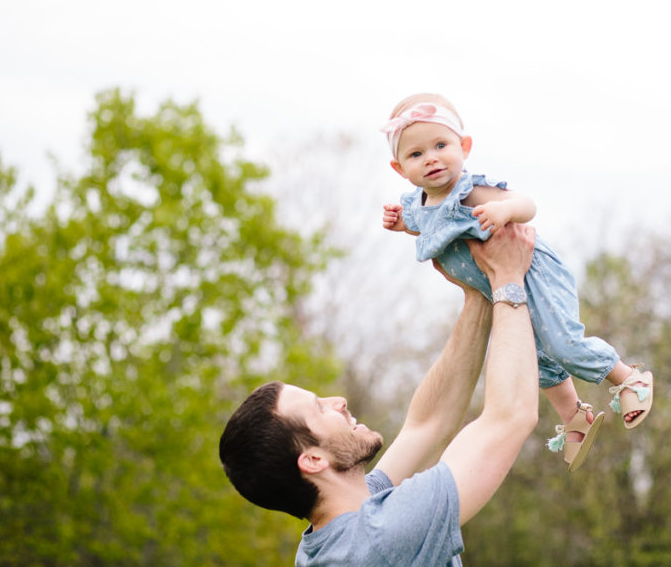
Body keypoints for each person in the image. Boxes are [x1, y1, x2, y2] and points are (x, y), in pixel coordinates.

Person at [220, 224, 541, 566]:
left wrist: (478, 291)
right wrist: (508, 277)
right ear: (313, 461)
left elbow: (428, 425)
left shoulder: (331, 539)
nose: (338, 402)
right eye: (320, 408)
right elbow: (510, 416)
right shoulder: (379, 538)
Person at [381, 93, 653, 472]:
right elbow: (429, 228)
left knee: (562, 344)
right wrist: (401, 224)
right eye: (416, 154)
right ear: (399, 168)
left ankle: (629, 379)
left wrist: (503, 209)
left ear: (464, 147)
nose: (431, 158)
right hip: (498, 287)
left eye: (441, 146)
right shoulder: (419, 205)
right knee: (534, 357)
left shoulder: (471, 190)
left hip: (534, 272)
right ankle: (574, 415)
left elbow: (527, 205)